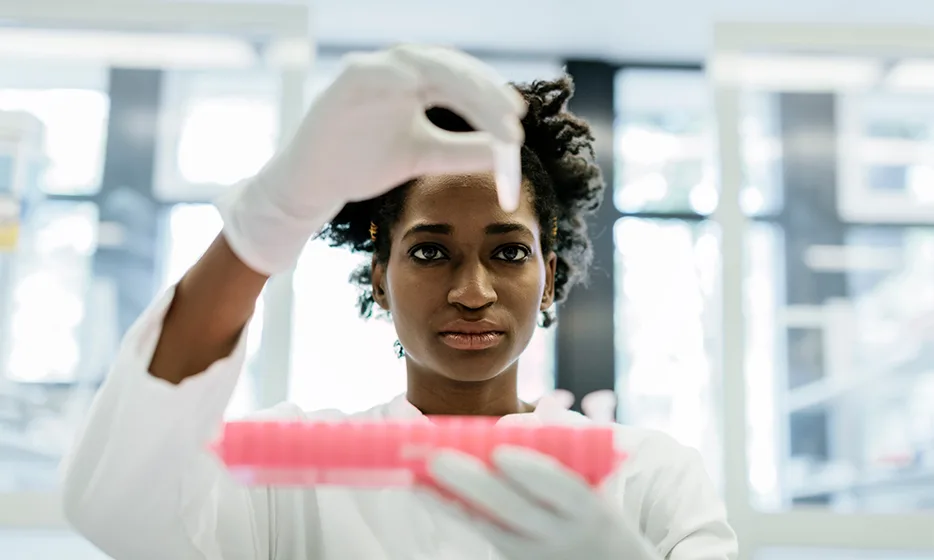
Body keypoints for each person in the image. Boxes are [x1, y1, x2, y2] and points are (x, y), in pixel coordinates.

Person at [61, 45, 737, 560]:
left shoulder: (650, 474)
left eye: (508, 252)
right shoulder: (294, 465)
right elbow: (123, 506)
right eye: (429, 251)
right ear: (379, 275)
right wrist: (269, 218)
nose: (472, 293)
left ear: (548, 273)